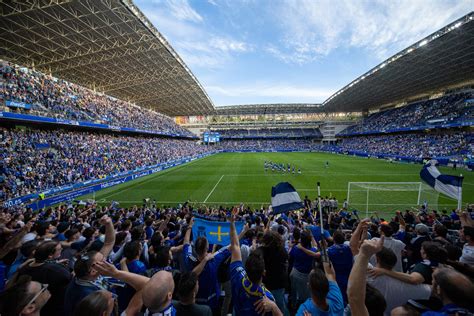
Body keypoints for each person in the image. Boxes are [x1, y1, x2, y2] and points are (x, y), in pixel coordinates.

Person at [228, 208, 281, 316]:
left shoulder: (237, 275)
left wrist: (232, 223)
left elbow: (235, 246)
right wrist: (274, 307)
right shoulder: (267, 299)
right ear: (264, 273)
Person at [182, 218, 231, 314]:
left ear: (195, 249)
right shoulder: (214, 260)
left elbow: (186, 244)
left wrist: (190, 227)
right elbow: (231, 246)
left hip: (195, 303)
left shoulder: (189, 260)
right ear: (208, 248)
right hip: (213, 304)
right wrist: (240, 230)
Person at [367, 248, 431, 316]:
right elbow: (431, 290)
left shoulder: (368, 274)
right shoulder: (407, 286)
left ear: (377, 259)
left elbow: (356, 252)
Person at [327, 230, 353, 304]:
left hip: (337, 279)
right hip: (349, 277)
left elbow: (318, 254)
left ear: (334, 239)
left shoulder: (329, 250)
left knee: (340, 299)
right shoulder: (349, 248)